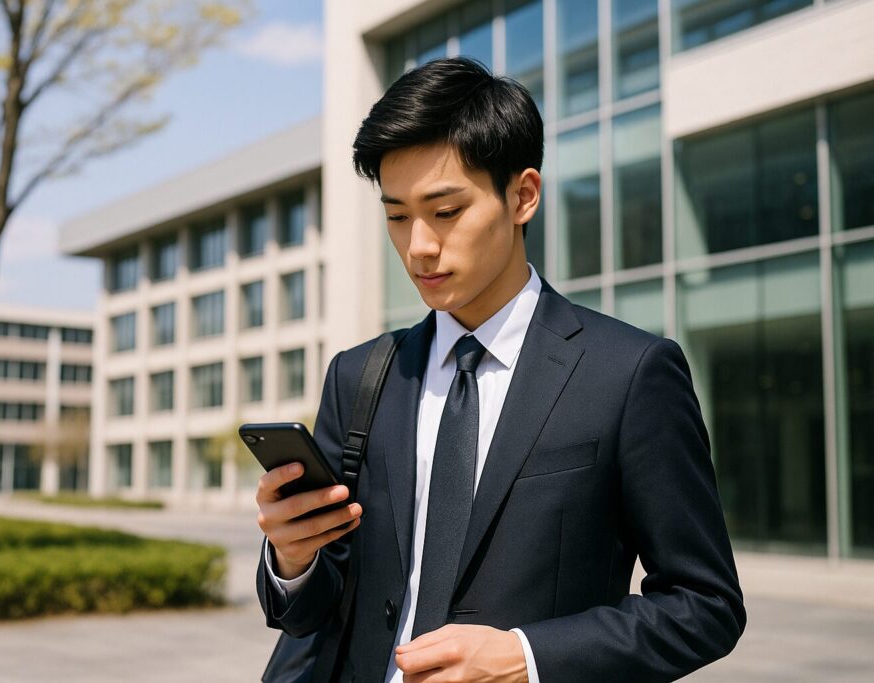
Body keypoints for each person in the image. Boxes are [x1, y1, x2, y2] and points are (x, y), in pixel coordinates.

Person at [255, 56, 745, 682]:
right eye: (397, 215)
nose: (419, 246)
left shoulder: (629, 373)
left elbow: (706, 606)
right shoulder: (361, 377)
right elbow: (318, 609)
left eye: (447, 210)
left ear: (523, 196)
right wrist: (292, 560)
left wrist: (528, 657)